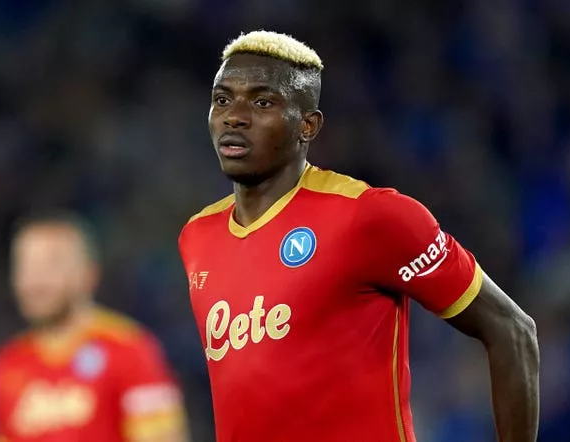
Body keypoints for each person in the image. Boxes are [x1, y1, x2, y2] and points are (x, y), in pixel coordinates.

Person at [178, 30, 540, 442]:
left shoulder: (369, 216)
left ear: (308, 126)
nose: (234, 116)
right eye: (222, 99)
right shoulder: (197, 236)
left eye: (262, 102)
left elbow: (512, 329)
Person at [0, 211, 190, 442]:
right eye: (24, 265)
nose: (35, 279)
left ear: (89, 274)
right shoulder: (6, 365)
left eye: (51, 264)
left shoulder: (130, 350)